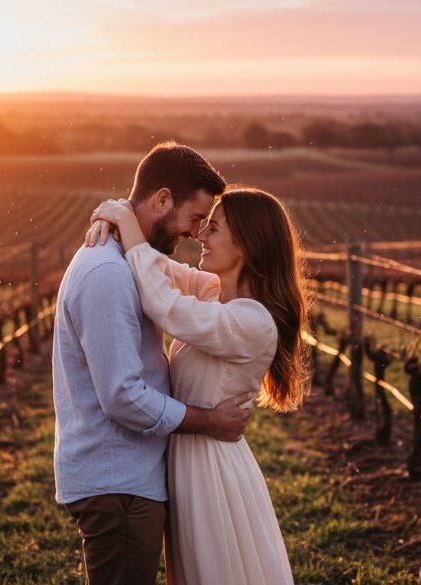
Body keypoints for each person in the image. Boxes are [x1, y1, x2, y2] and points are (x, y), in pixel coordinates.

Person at [52, 142, 255, 585]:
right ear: (162, 199)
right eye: (195, 219)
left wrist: (123, 218)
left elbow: (185, 282)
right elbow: (123, 396)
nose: (195, 233)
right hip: (117, 481)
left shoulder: (129, 259)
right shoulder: (107, 273)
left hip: (129, 479)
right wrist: (210, 421)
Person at [85, 186, 308, 585]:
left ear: (245, 246)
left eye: (214, 228)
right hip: (187, 458)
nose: (201, 237)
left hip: (210, 469)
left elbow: (164, 304)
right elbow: (155, 268)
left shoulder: (252, 322)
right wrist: (121, 217)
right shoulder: (213, 294)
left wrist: (126, 223)